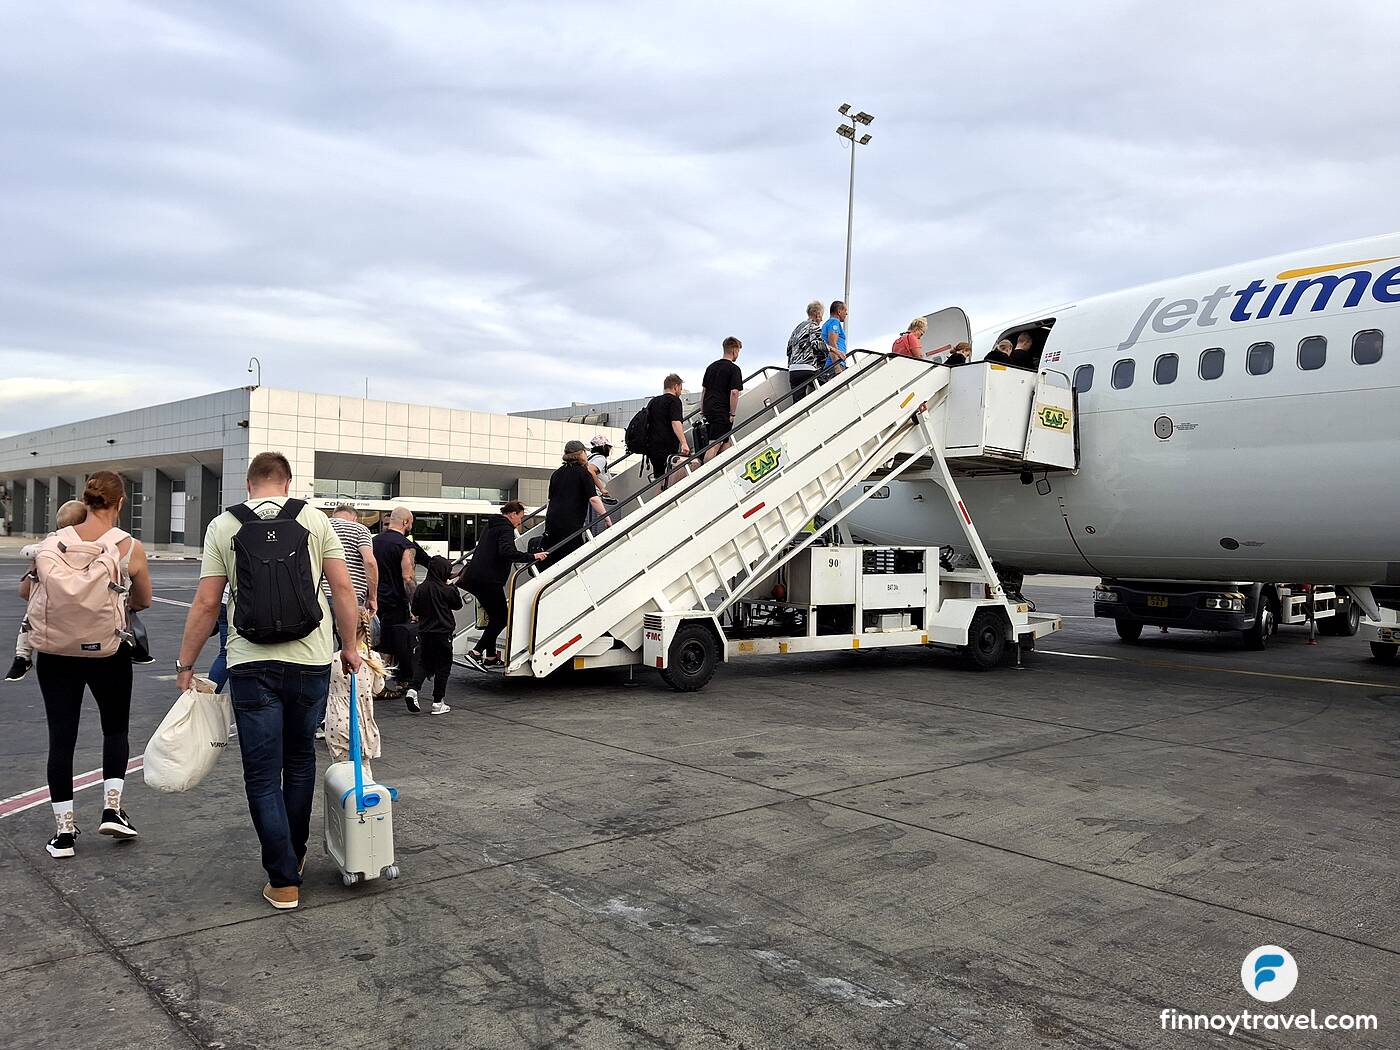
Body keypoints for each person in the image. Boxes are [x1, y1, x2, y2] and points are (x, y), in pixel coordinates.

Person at [175, 451, 360, 911]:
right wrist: (351, 647)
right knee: (299, 761)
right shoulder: (317, 521)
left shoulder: (223, 525)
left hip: (249, 662)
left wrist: (185, 663)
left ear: (249, 483)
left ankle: (282, 882)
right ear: (288, 481)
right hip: (310, 660)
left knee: (261, 773)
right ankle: (294, 859)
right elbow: (342, 589)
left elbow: (205, 602)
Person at [21, 474, 151, 859]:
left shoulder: (53, 543)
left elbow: (27, 591)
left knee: (61, 740)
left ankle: (63, 833)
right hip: (108, 650)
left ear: (85, 499)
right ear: (120, 503)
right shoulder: (128, 546)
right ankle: (112, 808)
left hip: (57, 652)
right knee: (115, 728)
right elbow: (143, 600)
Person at [7, 499, 89, 682]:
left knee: (31, 616)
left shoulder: (86, 543)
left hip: (60, 601)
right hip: (61, 598)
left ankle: (22, 656)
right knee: (31, 615)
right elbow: (28, 550)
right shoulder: (54, 541)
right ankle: (22, 656)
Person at [461, 500, 547, 667]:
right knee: (501, 618)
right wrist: (532, 557)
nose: (520, 522)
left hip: (475, 578)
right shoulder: (506, 528)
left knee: (494, 617)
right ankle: (476, 652)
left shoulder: (491, 525)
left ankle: (491, 656)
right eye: (520, 518)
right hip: (489, 580)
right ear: (512, 514)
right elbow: (506, 551)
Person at [373, 507, 419, 708]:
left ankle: (375, 681)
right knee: (391, 644)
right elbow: (407, 577)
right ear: (406, 522)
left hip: (374, 599)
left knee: (375, 641)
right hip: (395, 601)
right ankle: (379, 685)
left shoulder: (373, 541)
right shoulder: (404, 546)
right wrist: (415, 605)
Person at [409, 556, 461, 714]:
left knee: (425, 663)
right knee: (443, 666)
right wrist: (453, 586)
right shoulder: (447, 589)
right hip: (443, 632)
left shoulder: (421, 588)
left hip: (425, 632)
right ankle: (438, 701)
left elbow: (415, 610)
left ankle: (412, 689)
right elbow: (457, 605)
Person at [544, 441, 608, 565]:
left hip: (552, 522)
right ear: (580, 453)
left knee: (555, 559)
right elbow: (593, 498)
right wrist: (606, 517)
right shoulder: (583, 473)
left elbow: (550, 500)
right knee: (572, 558)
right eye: (585, 452)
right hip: (571, 523)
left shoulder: (556, 474)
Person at [701, 337, 744, 462]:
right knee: (714, 445)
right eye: (738, 351)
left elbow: (704, 391)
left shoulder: (711, 367)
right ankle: (705, 475)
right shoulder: (734, 369)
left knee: (726, 443)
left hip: (709, 409)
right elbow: (734, 392)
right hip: (722, 411)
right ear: (734, 350)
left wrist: (703, 410)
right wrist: (733, 413)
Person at [644, 374, 689, 483]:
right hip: (667, 446)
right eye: (680, 389)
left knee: (659, 479)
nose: (680, 392)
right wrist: (684, 442)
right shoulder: (674, 401)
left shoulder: (653, 402)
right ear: (676, 387)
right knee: (668, 480)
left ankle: (658, 498)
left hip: (652, 447)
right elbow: (676, 422)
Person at [785, 301, 825, 402]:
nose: (822, 319)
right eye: (821, 316)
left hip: (793, 370)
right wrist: (832, 351)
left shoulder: (797, 328)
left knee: (798, 403)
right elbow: (817, 345)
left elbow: (788, 349)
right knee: (828, 387)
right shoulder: (813, 326)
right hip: (807, 368)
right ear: (817, 314)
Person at [586, 435, 613, 533]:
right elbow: (590, 470)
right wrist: (602, 488)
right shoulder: (601, 459)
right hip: (595, 496)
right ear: (603, 447)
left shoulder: (590, 457)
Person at [822, 300, 849, 373]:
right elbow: (832, 344)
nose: (846, 313)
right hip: (834, 365)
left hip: (830, 365)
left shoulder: (826, 324)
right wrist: (837, 367)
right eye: (845, 310)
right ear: (839, 312)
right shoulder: (834, 322)